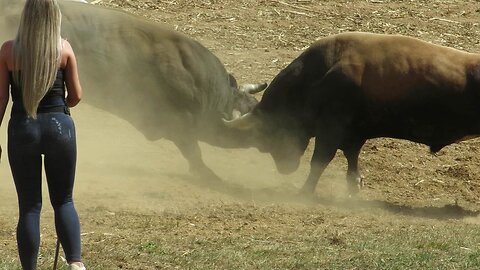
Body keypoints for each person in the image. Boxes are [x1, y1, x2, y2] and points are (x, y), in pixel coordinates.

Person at [0, 0, 85, 269]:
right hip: (60, 127)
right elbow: (76, 96)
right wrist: (61, 104)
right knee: (64, 200)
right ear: (54, 18)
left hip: (23, 128)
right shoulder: (63, 49)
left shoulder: (8, 51)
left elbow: (1, 100)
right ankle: (75, 263)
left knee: (29, 206)